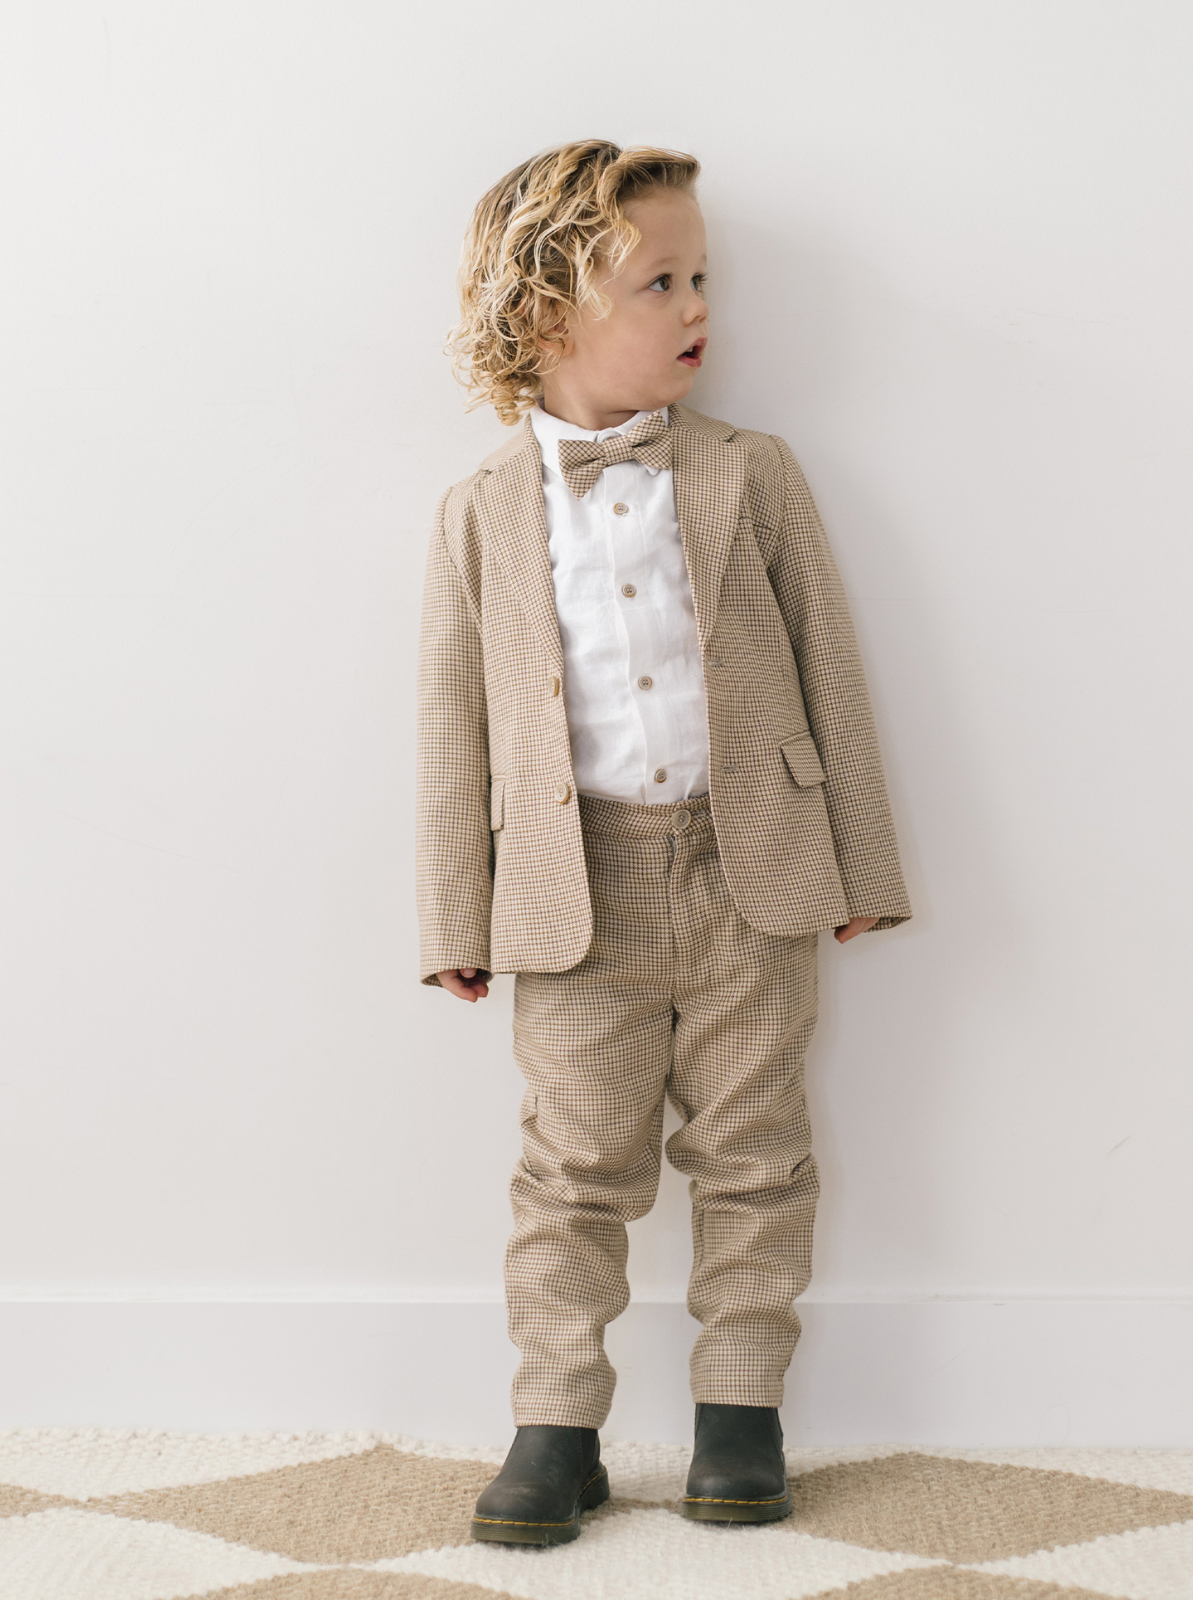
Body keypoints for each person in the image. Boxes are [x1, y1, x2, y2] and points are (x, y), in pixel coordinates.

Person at [417, 140, 911, 1546]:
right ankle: (555, 1425)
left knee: (757, 1148)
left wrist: (862, 870)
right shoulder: (479, 516)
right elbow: (454, 726)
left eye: (705, 279)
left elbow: (830, 665)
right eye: (662, 282)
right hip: (577, 895)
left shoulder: (753, 475)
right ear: (548, 306)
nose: (700, 307)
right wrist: (459, 914)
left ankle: (739, 1414)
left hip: (752, 861)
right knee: (571, 1168)